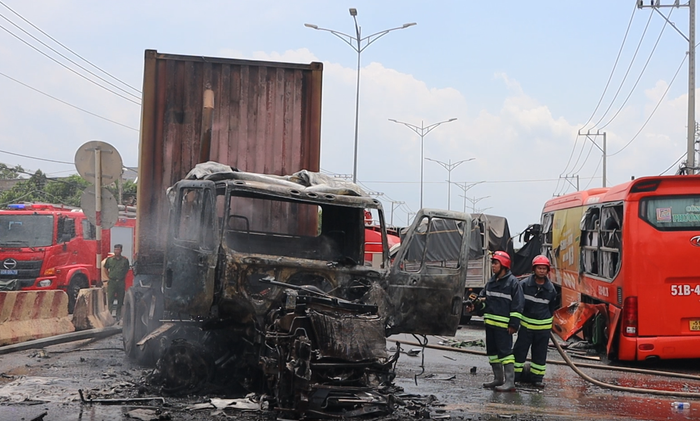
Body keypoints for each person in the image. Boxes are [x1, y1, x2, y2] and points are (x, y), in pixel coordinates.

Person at [467, 250, 524, 392]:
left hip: (504, 327)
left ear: (504, 265)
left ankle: (510, 382)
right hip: (490, 324)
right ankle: (498, 379)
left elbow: (518, 305)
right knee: (492, 353)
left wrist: (513, 324)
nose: (493, 266)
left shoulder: (513, 283)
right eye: (492, 263)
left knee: (506, 353)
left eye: (495, 263)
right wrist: (476, 305)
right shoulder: (491, 282)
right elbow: (484, 301)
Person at [513, 255, 558, 388]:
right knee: (519, 353)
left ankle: (537, 379)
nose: (542, 271)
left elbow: (552, 308)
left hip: (542, 329)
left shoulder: (551, 290)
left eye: (544, 268)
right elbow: (518, 304)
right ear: (534, 269)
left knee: (540, 355)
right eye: (539, 268)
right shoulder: (524, 285)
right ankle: (514, 377)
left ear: (547, 270)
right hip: (526, 327)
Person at [104, 244, 130, 319]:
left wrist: (121, 276)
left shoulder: (125, 260)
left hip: (121, 282)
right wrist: (109, 276)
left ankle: (118, 315)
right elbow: (105, 268)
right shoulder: (110, 260)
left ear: (121, 250)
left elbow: (126, 269)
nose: (116, 251)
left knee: (120, 299)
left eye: (118, 249)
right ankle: (110, 315)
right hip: (112, 282)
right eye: (115, 249)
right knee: (110, 298)